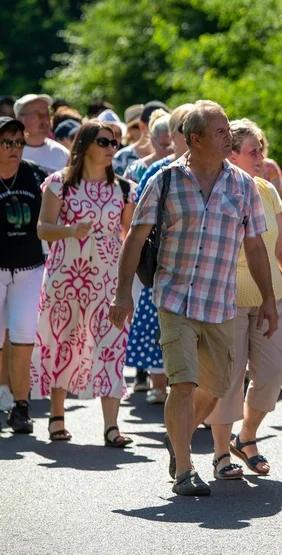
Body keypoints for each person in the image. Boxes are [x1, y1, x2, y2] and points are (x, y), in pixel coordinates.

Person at [109, 100, 278, 497]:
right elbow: (135, 237)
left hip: (221, 301)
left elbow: (255, 246)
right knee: (182, 383)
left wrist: (269, 299)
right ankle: (184, 470)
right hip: (174, 297)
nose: (228, 138)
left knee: (216, 386)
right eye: (220, 132)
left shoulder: (241, 184)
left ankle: (177, 437)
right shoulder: (165, 180)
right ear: (196, 139)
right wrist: (123, 294)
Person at [204, 118, 282, 479]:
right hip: (226, 300)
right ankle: (220, 453)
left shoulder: (266, 190)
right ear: (230, 154)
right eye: (253, 150)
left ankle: (246, 437)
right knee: (228, 379)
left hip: (269, 298)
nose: (262, 155)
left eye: (262, 148)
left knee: (272, 373)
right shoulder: (214, 189)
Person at [30, 121, 135, 447]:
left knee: (112, 344)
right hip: (65, 276)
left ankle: (111, 427)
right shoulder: (59, 184)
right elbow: (43, 229)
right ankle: (56, 416)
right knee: (65, 341)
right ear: (86, 143)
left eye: (115, 143)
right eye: (104, 141)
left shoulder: (125, 189)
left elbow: (130, 236)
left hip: (109, 278)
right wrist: (71, 230)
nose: (111, 148)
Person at [125, 103, 194, 402]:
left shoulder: (218, 171)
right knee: (159, 326)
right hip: (165, 263)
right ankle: (157, 385)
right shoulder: (158, 171)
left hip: (201, 268)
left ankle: (191, 391)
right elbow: (139, 225)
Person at [0, 117, 48, 433]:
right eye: (8, 143)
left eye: (19, 142)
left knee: (23, 337)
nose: (15, 148)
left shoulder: (34, 174)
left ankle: (21, 407)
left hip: (30, 268)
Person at [13, 94, 69, 174]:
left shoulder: (63, 154)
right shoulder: (8, 152)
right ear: (20, 120)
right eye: (37, 115)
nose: (45, 121)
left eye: (47, 114)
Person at [113, 100, 169, 176]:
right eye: (155, 126)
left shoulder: (174, 155)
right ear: (142, 126)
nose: (161, 131)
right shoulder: (122, 157)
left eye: (165, 126)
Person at [123, 110, 172, 184]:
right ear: (152, 140)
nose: (168, 150)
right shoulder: (135, 170)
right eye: (163, 145)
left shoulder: (184, 169)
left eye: (171, 145)